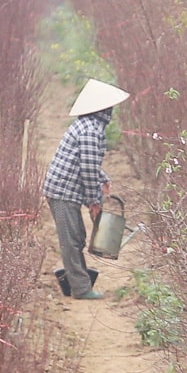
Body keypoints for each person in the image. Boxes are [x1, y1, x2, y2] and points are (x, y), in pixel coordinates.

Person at [43, 78, 130, 300]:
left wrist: (103, 179)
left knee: (76, 237)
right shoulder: (91, 130)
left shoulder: (88, 126)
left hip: (63, 190)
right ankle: (81, 288)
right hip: (63, 192)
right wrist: (95, 201)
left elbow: (86, 163)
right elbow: (88, 169)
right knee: (71, 241)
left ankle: (76, 280)